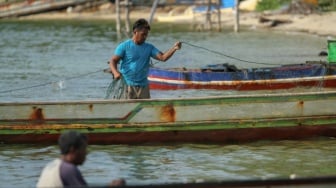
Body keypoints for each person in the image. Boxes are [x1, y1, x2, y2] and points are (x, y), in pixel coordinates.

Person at [109, 18, 182, 99]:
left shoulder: (149, 47)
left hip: (143, 86)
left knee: (145, 111)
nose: (145, 37)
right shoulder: (124, 46)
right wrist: (115, 72)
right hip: (127, 85)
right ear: (135, 32)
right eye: (143, 34)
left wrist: (174, 48)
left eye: (146, 34)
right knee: (126, 109)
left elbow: (163, 57)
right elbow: (113, 61)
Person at [36, 131, 125, 188]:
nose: (86, 153)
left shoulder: (51, 166)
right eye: (84, 149)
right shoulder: (68, 170)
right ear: (73, 149)